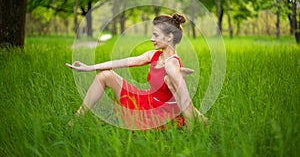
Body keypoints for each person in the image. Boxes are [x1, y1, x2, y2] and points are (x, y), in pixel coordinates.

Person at [66, 13, 208, 130]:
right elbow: (122, 62)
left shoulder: (172, 64)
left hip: (160, 112)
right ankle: (74, 121)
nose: (152, 39)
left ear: (170, 37)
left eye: (156, 35)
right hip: (148, 100)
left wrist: (190, 133)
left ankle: (200, 121)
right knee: (105, 75)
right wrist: (89, 67)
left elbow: (185, 99)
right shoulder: (153, 55)